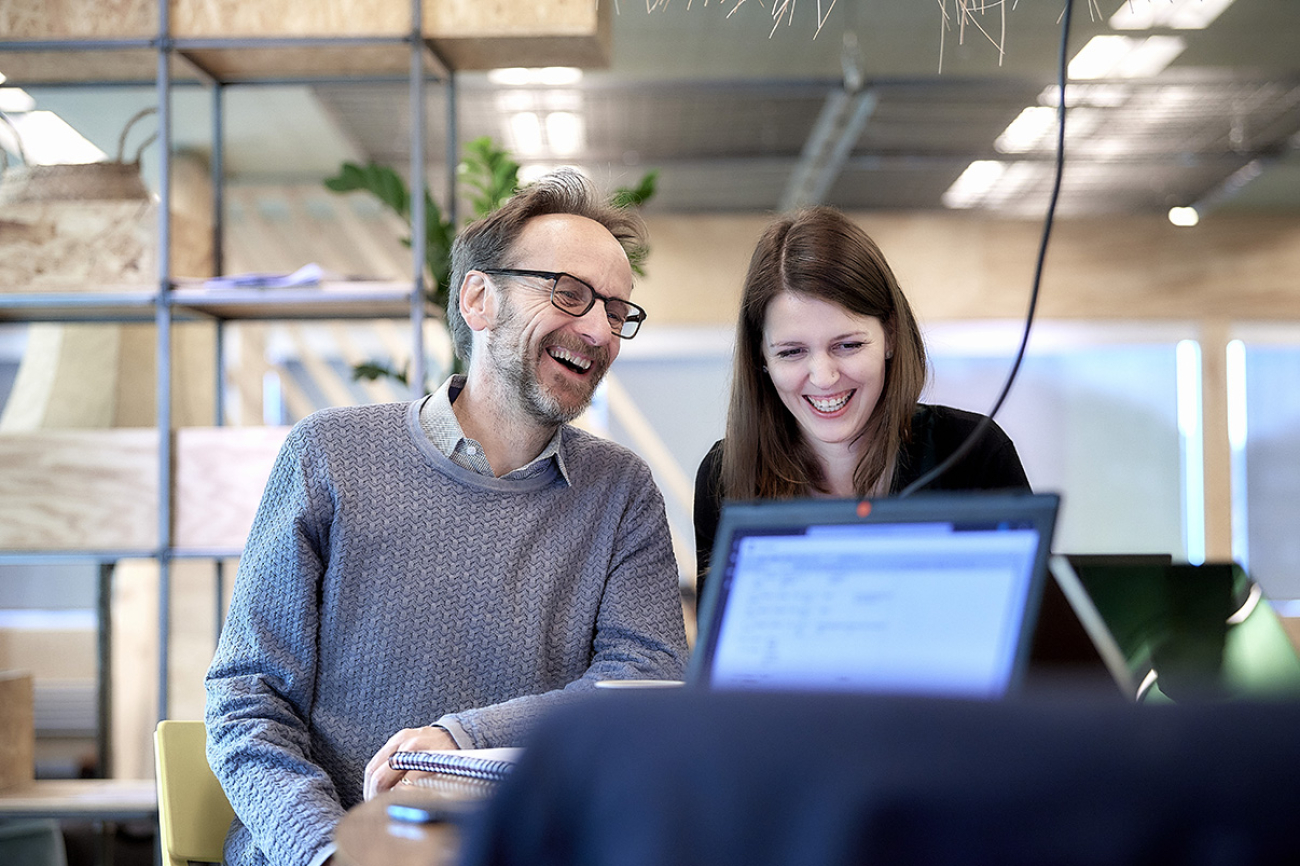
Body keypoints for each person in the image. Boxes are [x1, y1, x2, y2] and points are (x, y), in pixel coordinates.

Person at [205, 170, 689, 866]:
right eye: (570, 294)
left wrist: (460, 739)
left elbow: (643, 688)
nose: (598, 330)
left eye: (617, 311)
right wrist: (330, 851)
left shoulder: (621, 492)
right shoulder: (330, 455)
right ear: (479, 298)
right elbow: (248, 705)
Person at [694, 206, 1029, 599]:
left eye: (848, 345)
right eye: (791, 352)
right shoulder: (727, 474)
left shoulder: (973, 452)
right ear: (761, 359)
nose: (823, 377)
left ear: (890, 334)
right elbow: (722, 655)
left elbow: (1032, 634)